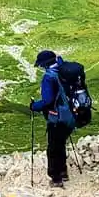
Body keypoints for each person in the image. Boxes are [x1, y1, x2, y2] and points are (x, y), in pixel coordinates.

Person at [31, 50, 74, 186]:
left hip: (57, 117)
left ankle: (56, 179)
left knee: (53, 148)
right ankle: (63, 172)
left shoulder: (49, 77)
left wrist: (34, 106)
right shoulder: (64, 70)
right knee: (61, 143)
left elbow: (47, 100)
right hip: (70, 115)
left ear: (45, 64)